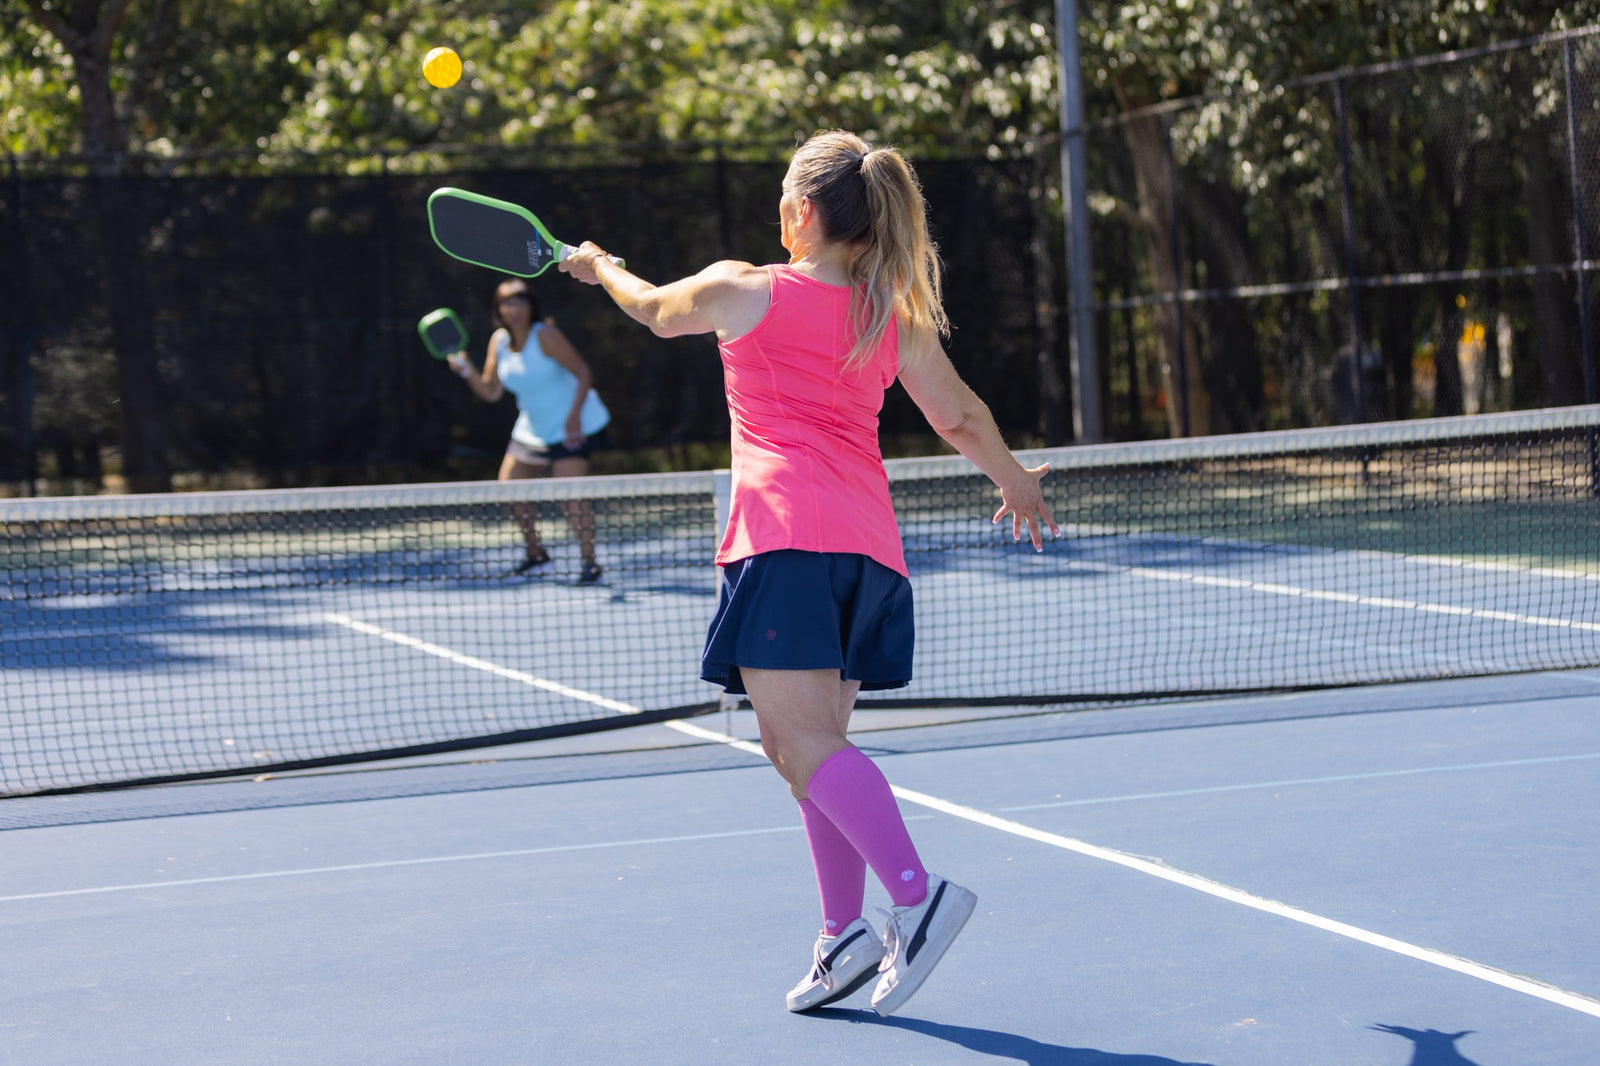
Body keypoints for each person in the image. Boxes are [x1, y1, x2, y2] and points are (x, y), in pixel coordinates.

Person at [559, 130, 1057, 1017]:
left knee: (801, 748)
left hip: (782, 542)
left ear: (803, 213)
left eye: (784, 197)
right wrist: (1014, 480)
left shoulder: (744, 288)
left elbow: (651, 308)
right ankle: (842, 938)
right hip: (867, 556)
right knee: (807, 752)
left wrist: (600, 266)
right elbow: (960, 415)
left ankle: (916, 896)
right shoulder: (888, 317)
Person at [446, 278, 611, 584]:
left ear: (530, 305)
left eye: (520, 300)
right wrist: (467, 371)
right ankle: (536, 554)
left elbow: (583, 371)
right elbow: (491, 392)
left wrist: (573, 418)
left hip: (573, 425)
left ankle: (590, 563)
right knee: (510, 487)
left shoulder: (545, 335)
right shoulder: (498, 341)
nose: (514, 307)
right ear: (498, 310)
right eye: (507, 302)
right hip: (532, 429)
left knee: (569, 496)